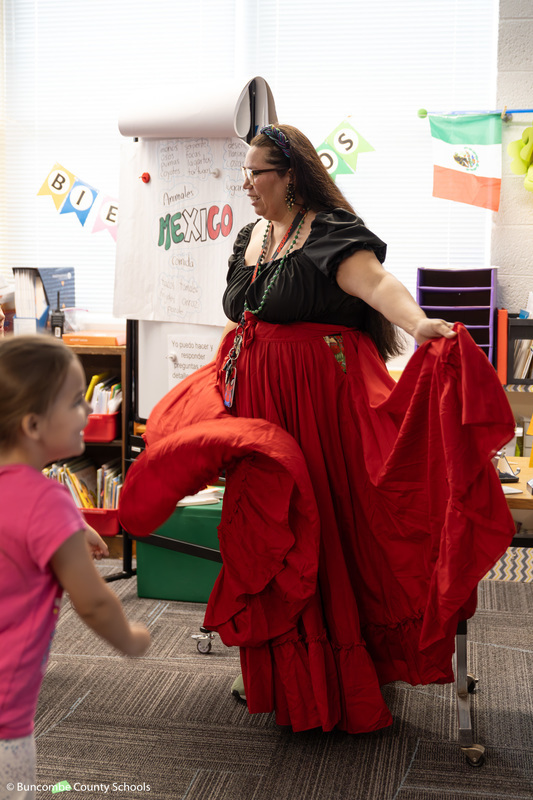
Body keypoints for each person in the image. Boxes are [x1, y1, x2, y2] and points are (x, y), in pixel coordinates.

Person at [119, 124, 514, 737]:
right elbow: (245, 311)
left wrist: (418, 324)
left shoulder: (330, 231)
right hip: (262, 403)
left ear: (291, 177)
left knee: (323, 522)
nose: (245, 184)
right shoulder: (252, 236)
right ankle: (280, 667)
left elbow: (376, 284)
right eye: (244, 173)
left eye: (256, 173)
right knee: (266, 526)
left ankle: (339, 671)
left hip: (319, 402)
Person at [0, 335, 151, 800]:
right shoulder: (47, 501)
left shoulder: (37, 501)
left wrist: (74, 527)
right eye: (74, 402)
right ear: (33, 424)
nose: (88, 410)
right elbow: (92, 602)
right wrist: (130, 639)